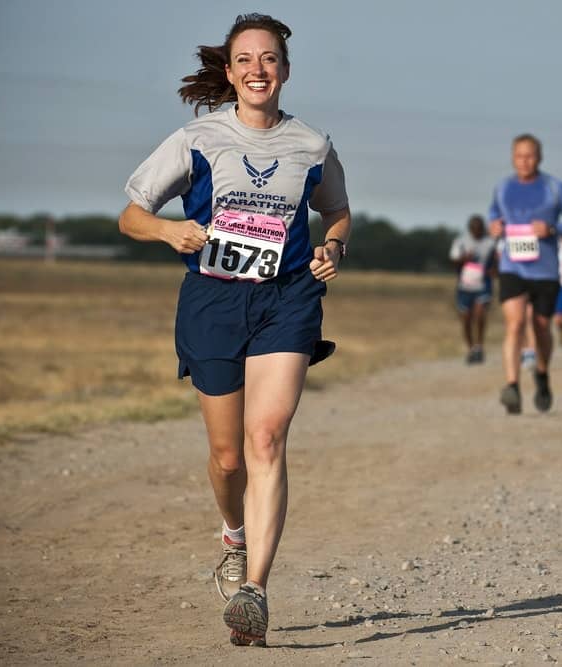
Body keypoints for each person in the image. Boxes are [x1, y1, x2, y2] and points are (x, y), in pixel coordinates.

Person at [118, 13, 350, 647]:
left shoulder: (312, 143)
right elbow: (131, 215)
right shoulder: (196, 138)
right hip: (213, 302)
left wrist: (334, 245)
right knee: (227, 458)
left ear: (285, 70)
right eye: (245, 59)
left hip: (288, 298)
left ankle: (255, 590)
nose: (258, 69)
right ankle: (234, 533)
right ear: (230, 71)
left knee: (267, 438)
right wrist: (169, 231)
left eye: (269, 58)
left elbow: (337, 209)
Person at [488, 134, 562, 414]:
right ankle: (512, 387)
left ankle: (542, 376)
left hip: (545, 270)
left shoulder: (556, 188)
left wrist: (554, 229)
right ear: (512, 157)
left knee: (541, 327)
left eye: (530, 156)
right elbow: (493, 215)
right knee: (515, 324)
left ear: (539, 158)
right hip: (512, 267)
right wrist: (494, 226)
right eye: (519, 156)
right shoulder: (503, 188)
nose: (524, 161)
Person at [449, 214, 496, 364]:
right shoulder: (460, 242)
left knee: (480, 314)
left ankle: (479, 346)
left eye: (480, 229)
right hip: (465, 286)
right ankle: (470, 349)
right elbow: (453, 261)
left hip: (483, 285)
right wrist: (464, 259)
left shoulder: (490, 242)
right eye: (475, 229)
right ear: (470, 229)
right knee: (466, 319)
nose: (477, 232)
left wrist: (494, 270)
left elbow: (497, 260)